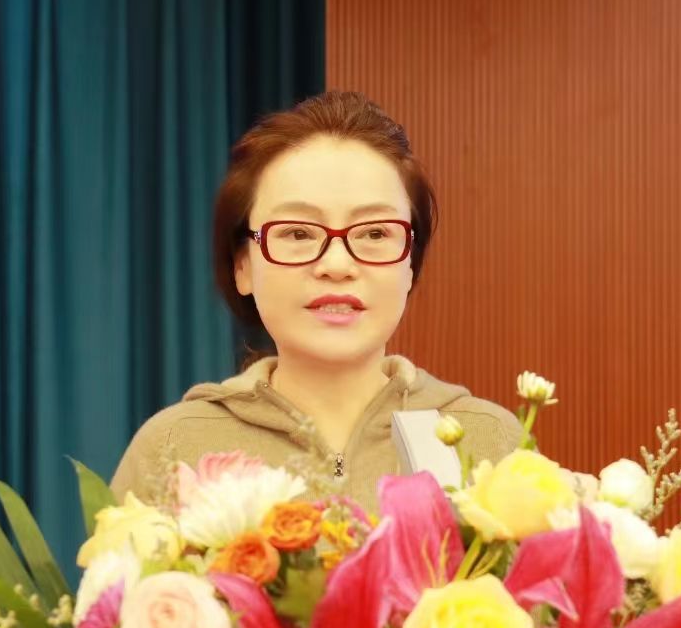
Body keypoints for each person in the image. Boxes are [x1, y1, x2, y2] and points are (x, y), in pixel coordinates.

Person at [110, 91, 522, 513]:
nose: (337, 265)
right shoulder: (173, 448)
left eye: (375, 233)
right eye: (298, 233)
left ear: (410, 264)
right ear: (242, 265)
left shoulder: (489, 442)